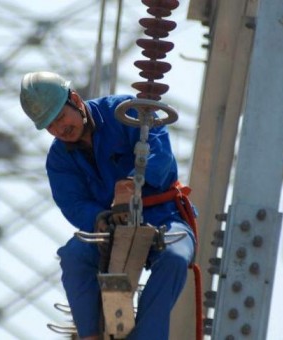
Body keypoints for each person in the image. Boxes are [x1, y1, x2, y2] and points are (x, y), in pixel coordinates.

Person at [19, 71, 195, 340]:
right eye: (50, 126)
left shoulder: (126, 112)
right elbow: (73, 204)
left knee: (174, 257)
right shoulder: (59, 159)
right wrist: (100, 219)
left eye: (60, 117)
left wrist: (130, 184)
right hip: (109, 230)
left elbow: (161, 159)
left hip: (164, 216)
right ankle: (90, 336)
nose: (59, 129)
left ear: (75, 100)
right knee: (73, 256)